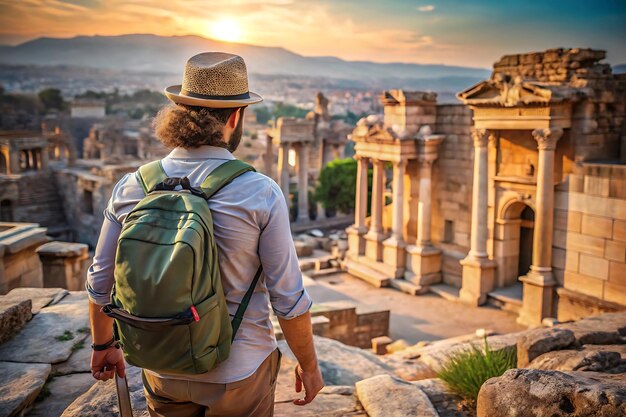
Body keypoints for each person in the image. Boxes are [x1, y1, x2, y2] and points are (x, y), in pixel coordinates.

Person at [86, 52, 324, 417]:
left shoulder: (132, 186)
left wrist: (103, 343)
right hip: (240, 370)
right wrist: (308, 366)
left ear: (177, 112)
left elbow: (101, 282)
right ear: (235, 117)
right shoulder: (259, 192)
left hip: (160, 362)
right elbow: (288, 300)